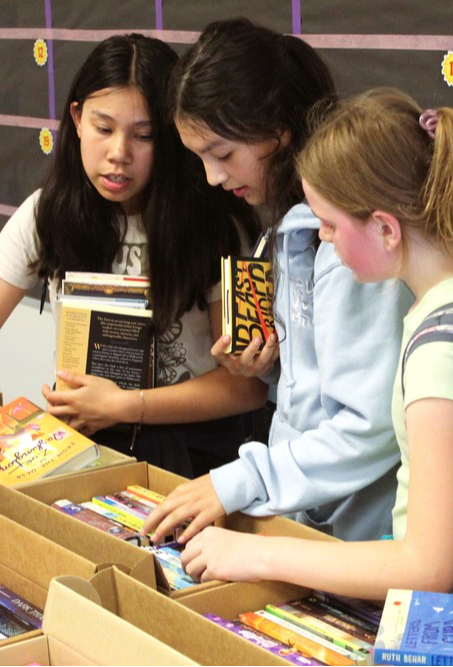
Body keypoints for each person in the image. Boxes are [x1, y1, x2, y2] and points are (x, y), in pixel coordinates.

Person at [147, 88, 453, 599]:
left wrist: (255, 552)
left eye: (329, 225)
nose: (324, 241)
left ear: (385, 228)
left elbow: (427, 566)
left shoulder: (445, 352)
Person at [142, 20, 412, 544]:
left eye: (221, 154)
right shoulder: (293, 225)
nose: (213, 178)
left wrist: (241, 480)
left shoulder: (348, 240)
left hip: (362, 533)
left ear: (278, 130)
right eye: (200, 158)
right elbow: (324, 384)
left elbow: (370, 423)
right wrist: (270, 368)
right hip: (316, 519)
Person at [0, 34, 266, 477]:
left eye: (143, 136)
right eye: (103, 129)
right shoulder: (46, 214)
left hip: (195, 454)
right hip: (81, 443)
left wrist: (125, 406)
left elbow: (248, 388)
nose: (119, 154)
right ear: (77, 119)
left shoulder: (218, 224)